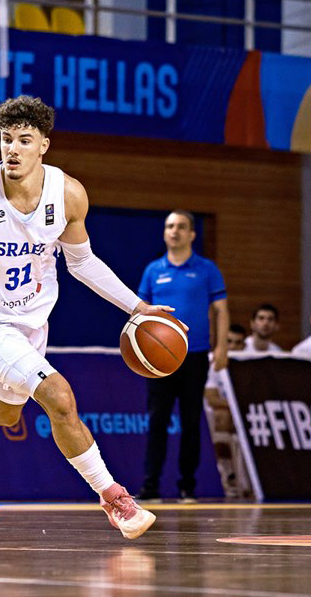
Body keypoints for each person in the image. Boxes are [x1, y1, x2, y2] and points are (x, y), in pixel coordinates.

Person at [0, 95, 166, 539]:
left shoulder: (69, 194)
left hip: (32, 325)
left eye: (24, 140)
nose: (12, 149)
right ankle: (114, 497)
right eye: (6, 140)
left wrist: (138, 307)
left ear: (44, 145)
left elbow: (82, 262)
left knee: (1, 413)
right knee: (58, 396)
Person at [136, 210, 229, 504]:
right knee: (157, 420)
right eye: (169, 226)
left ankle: (187, 487)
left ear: (192, 234)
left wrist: (222, 346)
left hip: (196, 355)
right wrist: (140, 351)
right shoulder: (153, 270)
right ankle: (151, 487)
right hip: (160, 362)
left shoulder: (206, 269)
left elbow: (221, 310)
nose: (174, 231)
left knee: (191, 421)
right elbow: (139, 311)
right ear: (164, 233)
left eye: (181, 227)